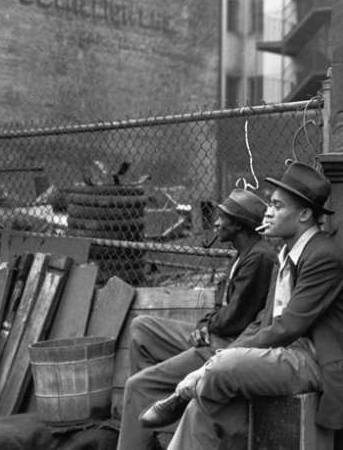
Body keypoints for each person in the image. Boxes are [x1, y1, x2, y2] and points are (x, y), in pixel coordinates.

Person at [138, 161, 343, 450]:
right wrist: (222, 355)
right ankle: (196, 387)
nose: (268, 212)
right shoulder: (285, 254)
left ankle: (189, 388)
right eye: (270, 205)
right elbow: (264, 321)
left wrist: (215, 363)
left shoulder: (324, 257)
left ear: (305, 214)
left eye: (277, 206)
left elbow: (287, 327)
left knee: (226, 366)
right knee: (203, 410)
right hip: (284, 356)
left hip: (315, 361)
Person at [115, 188, 276, 450]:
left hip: (225, 347)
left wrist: (207, 327)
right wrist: (203, 325)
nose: (215, 222)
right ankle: (154, 426)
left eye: (222, 217)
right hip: (215, 335)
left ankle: (147, 414)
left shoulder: (259, 258)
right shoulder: (241, 253)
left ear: (237, 224)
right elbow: (219, 307)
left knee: (137, 385)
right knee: (142, 328)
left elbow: (235, 319)